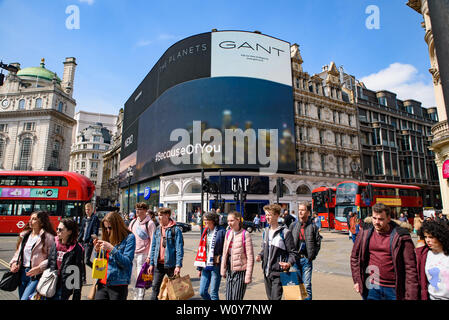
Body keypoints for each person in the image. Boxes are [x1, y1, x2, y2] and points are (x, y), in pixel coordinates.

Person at [350, 203, 418, 300]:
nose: (377, 222)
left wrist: (411, 295)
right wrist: (357, 280)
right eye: (374, 218)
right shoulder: (365, 232)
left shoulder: (401, 236)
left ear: (388, 219)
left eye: (381, 219)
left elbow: (411, 267)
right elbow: (354, 257)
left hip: (394, 289)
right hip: (371, 286)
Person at [9, 211, 56, 300]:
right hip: (22, 273)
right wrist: (14, 263)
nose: (30, 221)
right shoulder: (25, 236)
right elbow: (18, 253)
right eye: (30, 218)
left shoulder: (48, 238)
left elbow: (52, 258)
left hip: (36, 276)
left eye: (34, 219)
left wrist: (39, 268)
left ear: (41, 222)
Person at [256, 204, 297, 300]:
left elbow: (293, 252)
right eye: (266, 215)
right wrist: (260, 255)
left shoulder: (285, 232)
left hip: (278, 273)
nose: (267, 217)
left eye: (269, 215)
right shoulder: (265, 232)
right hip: (266, 272)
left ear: (277, 215)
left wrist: (289, 263)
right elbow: (265, 249)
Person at [93, 211, 136, 300]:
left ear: (118, 226)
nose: (108, 230)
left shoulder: (130, 238)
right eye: (105, 228)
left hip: (118, 284)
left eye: (110, 228)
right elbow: (101, 260)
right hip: (102, 282)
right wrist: (97, 251)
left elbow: (127, 263)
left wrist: (112, 249)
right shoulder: (107, 236)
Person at [148, 207, 184, 300]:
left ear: (167, 215)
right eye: (158, 215)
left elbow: (179, 249)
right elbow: (153, 247)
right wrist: (151, 264)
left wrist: (178, 266)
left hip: (171, 265)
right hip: (158, 264)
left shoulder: (175, 230)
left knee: (176, 291)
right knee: (155, 288)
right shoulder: (157, 229)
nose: (158, 217)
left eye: (161, 215)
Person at [289, 201, 322, 300]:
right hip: (295, 260)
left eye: (303, 210)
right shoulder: (293, 226)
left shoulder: (313, 227)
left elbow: (318, 243)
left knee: (306, 285)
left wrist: (312, 255)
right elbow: (288, 242)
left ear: (308, 212)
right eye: (299, 210)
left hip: (306, 260)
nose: (300, 212)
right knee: (296, 285)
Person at [47, 218, 85, 300]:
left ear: (69, 232)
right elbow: (50, 263)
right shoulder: (55, 244)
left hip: (65, 286)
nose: (57, 231)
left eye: (60, 230)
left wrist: (76, 295)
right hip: (52, 282)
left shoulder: (77, 248)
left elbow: (77, 273)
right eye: (57, 229)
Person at [221, 211, 254, 300]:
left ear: (238, 220)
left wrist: (248, 275)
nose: (229, 223)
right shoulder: (228, 233)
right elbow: (224, 253)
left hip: (240, 272)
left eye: (231, 220)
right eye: (228, 221)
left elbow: (250, 257)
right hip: (229, 270)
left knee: (236, 298)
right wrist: (223, 270)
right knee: (228, 297)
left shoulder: (245, 234)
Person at [195, 212, 226, 300]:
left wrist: (224, 266)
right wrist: (199, 268)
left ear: (212, 221)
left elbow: (226, 250)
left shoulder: (221, 231)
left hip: (216, 265)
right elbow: (202, 250)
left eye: (206, 220)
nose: (204, 222)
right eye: (204, 220)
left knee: (213, 293)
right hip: (205, 265)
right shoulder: (205, 231)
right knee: (202, 292)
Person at [415, 219, 449, 300]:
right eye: (425, 237)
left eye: (431, 237)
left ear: (440, 236)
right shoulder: (423, 254)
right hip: (431, 297)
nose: (427, 240)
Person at [129, 202, 156, 300]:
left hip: (144, 254)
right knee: (130, 275)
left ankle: (139, 297)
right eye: (136, 209)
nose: (137, 211)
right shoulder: (133, 222)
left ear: (145, 211)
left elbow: (153, 241)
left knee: (141, 278)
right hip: (132, 253)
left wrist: (149, 256)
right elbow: (129, 237)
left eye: (140, 209)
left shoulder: (150, 223)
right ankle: (135, 293)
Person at [77, 202, 100, 284]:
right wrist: (78, 240)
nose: (87, 211)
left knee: (86, 261)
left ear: (92, 209)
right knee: (82, 261)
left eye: (89, 209)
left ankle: (99, 271)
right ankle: (83, 279)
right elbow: (81, 230)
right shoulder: (84, 219)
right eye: (86, 209)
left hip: (88, 242)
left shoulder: (95, 218)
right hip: (82, 242)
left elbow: (95, 231)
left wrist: (91, 241)